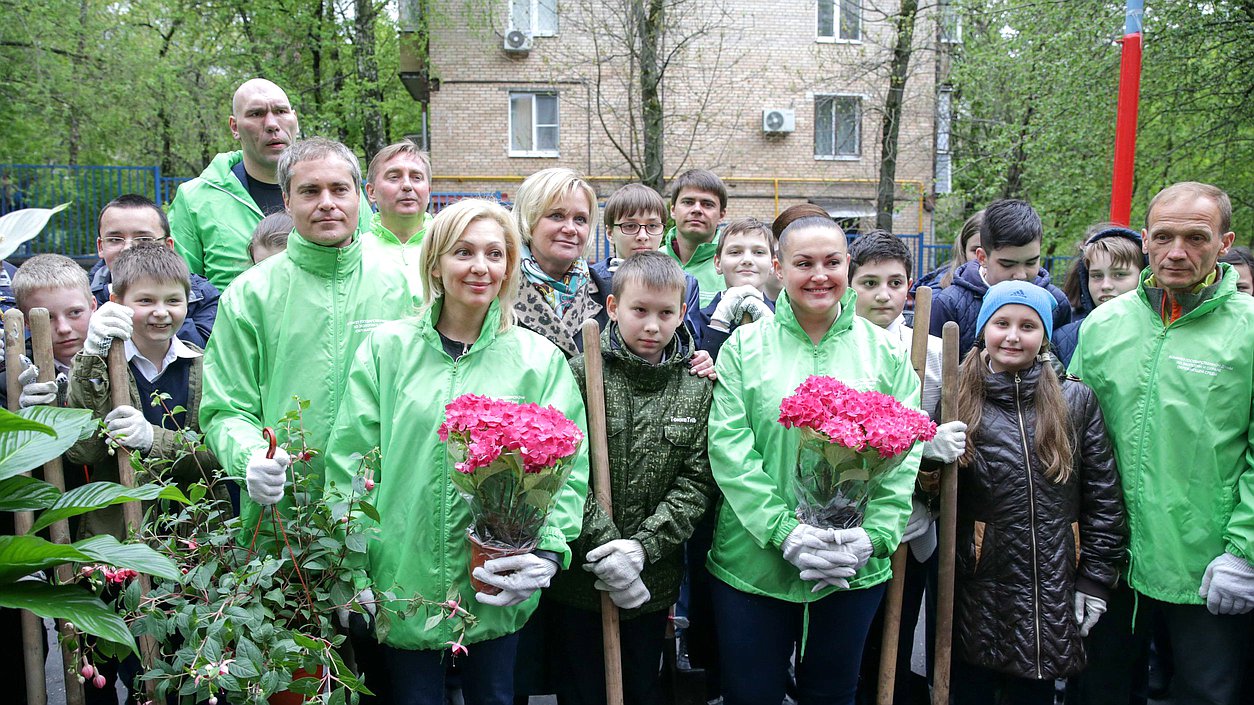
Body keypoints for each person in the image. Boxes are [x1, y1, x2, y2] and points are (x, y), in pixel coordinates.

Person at [324, 198, 589, 705]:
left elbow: (569, 470)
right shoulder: (387, 350)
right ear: (436, 264)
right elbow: (351, 462)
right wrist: (350, 564)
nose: (480, 267)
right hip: (400, 578)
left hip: (496, 579)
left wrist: (550, 550)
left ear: (510, 266)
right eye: (463, 252)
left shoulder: (537, 360)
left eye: (495, 253)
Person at [706, 215, 923, 705]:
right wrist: (784, 531)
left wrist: (876, 536)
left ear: (848, 266)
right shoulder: (744, 347)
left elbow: (905, 454)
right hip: (753, 563)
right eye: (804, 263)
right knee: (750, 694)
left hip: (851, 565)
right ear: (778, 270)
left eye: (832, 262)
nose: (819, 275)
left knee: (833, 693)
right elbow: (730, 449)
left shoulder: (884, 353)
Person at [1069, 182, 1254, 705]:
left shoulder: (1248, 332)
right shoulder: (1104, 326)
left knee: (1206, 692)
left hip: (1205, 563)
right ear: (1145, 240)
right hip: (1110, 560)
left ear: (1224, 243)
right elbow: (1074, 437)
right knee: (1101, 690)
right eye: (1165, 236)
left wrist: (1245, 553)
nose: (1178, 252)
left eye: (1196, 237)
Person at [200, 137, 414, 538]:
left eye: (339, 189)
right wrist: (251, 457)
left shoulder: (406, 286)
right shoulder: (250, 295)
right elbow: (225, 409)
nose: (327, 202)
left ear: (359, 197)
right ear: (286, 201)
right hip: (285, 513)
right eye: (310, 191)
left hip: (387, 509)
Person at [546, 251, 716, 705]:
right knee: (581, 690)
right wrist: (607, 552)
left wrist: (641, 550)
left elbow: (697, 481)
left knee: (640, 686)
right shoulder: (579, 374)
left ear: (683, 314)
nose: (652, 326)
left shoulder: (697, 387)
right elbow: (561, 473)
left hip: (651, 584)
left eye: (665, 314)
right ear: (613, 307)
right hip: (581, 582)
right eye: (639, 311)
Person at [946, 280, 1125, 704]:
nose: (1012, 335)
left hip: (1053, 579)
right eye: (1001, 322)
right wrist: (930, 460)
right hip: (980, 581)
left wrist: (1097, 580)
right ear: (983, 329)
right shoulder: (957, 398)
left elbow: (1103, 497)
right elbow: (935, 494)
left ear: (1044, 334)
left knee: (1035, 690)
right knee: (972, 687)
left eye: (1028, 326)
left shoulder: (1075, 400)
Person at [846, 230, 968, 703]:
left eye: (895, 282)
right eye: (869, 282)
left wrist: (936, 449)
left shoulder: (937, 353)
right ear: (849, 283)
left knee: (896, 634)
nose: (883, 294)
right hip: (846, 517)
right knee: (852, 638)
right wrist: (919, 443)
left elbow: (948, 429)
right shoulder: (836, 346)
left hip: (911, 519)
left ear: (911, 285)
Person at [169, 78, 372, 289]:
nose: (272, 125)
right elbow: (181, 292)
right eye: (256, 114)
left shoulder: (342, 193)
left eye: (281, 111)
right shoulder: (196, 197)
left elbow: (371, 267)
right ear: (234, 126)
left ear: (295, 119)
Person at [929, 199, 1070, 354]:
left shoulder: (1057, 303)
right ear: (982, 257)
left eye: (1031, 262)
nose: (1021, 275)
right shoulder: (950, 304)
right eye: (1007, 264)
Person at [89, 194, 219, 347]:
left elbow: (209, 352)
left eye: (144, 239)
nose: (128, 248)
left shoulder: (203, 296)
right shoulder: (81, 298)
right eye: (115, 240)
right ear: (100, 247)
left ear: (168, 245)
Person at [511, 167, 610, 358]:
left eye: (580, 219)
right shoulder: (500, 291)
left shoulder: (608, 292)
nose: (570, 228)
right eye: (557, 216)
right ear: (529, 219)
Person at [591, 183, 701, 331]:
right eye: (630, 226)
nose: (643, 236)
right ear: (610, 233)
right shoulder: (590, 281)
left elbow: (690, 340)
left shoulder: (686, 282)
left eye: (652, 226)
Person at [8, 254, 97, 408]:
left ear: (93, 306)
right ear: (27, 322)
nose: (63, 328)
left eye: (75, 312)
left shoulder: (127, 357)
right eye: (48, 317)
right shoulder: (11, 377)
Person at [1050, 225, 1144, 367]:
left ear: (1143, 276)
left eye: (1119, 274)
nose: (1106, 285)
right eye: (1097, 276)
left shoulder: (1161, 335)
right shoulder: (1062, 340)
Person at [691, 217, 776, 358]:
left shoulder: (784, 318)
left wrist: (772, 325)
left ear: (772, 264)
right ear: (718, 263)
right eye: (735, 252)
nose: (747, 260)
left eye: (758, 252)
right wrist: (718, 323)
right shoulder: (697, 321)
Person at [363, 139, 433, 291]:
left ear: (428, 192)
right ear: (371, 192)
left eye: (417, 177)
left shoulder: (446, 249)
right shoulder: (354, 254)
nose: (407, 185)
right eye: (394, 177)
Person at [663, 169, 728, 306]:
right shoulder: (653, 261)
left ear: (721, 215)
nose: (697, 209)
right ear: (673, 210)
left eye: (707, 204)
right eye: (688, 202)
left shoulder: (731, 267)